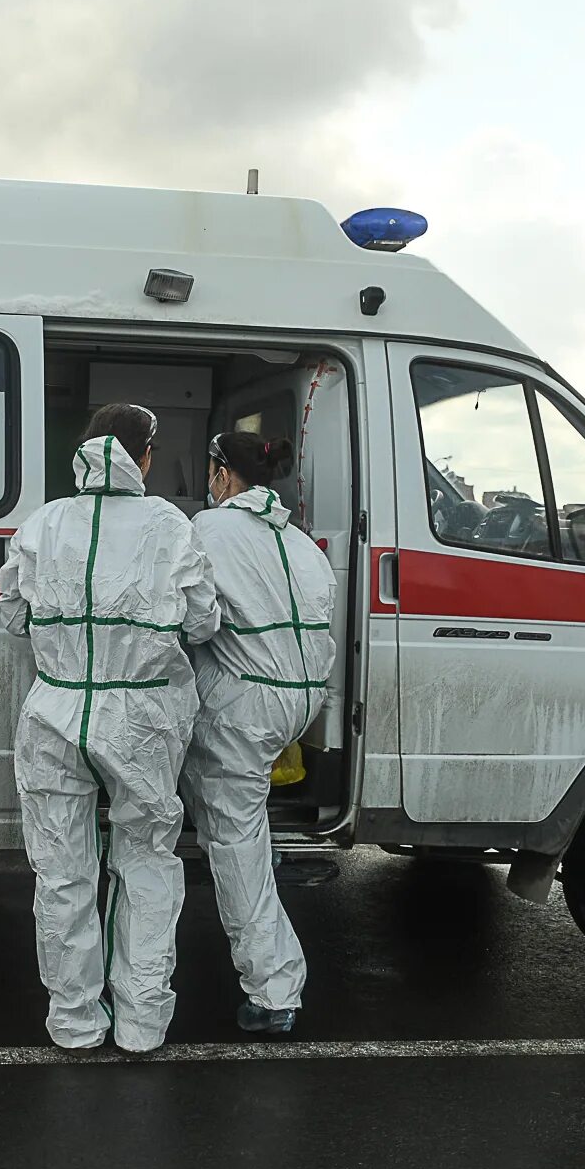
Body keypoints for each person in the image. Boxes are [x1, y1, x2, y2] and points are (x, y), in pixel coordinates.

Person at [0, 402, 220, 1053]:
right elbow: (203, 622)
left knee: (62, 873)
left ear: (86, 451)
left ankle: (73, 1024)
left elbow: (13, 615)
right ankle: (143, 1027)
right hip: (143, 717)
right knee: (147, 863)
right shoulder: (170, 526)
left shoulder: (44, 523)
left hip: (55, 711)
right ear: (143, 457)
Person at [180, 431, 335, 1035]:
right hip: (300, 703)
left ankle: (275, 991)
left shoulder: (209, 532)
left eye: (211, 470)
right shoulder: (301, 543)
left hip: (247, 707)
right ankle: (252, 850)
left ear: (224, 475)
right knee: (235, 815)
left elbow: (193, 621)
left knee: (233, 841)